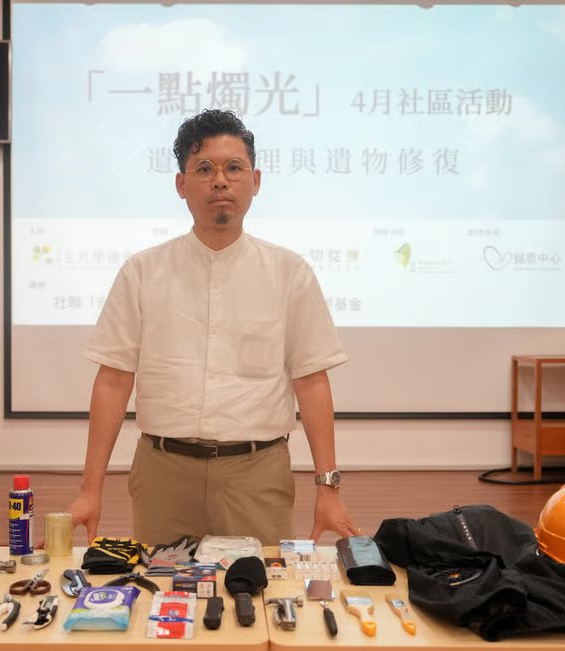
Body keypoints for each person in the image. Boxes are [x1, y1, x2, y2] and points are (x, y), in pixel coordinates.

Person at [67, 109, 359, 549]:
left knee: (259, 603)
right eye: (204, 169)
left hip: (256, 474)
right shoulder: (143, 271)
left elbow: (312, 382)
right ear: (182, 185)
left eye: (233, 168)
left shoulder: (289, 273)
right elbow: (113, 380)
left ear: (255, 181)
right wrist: (90, 489)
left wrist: (328, 488)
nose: (219, 180)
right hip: (163, 472)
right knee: (160, 601)